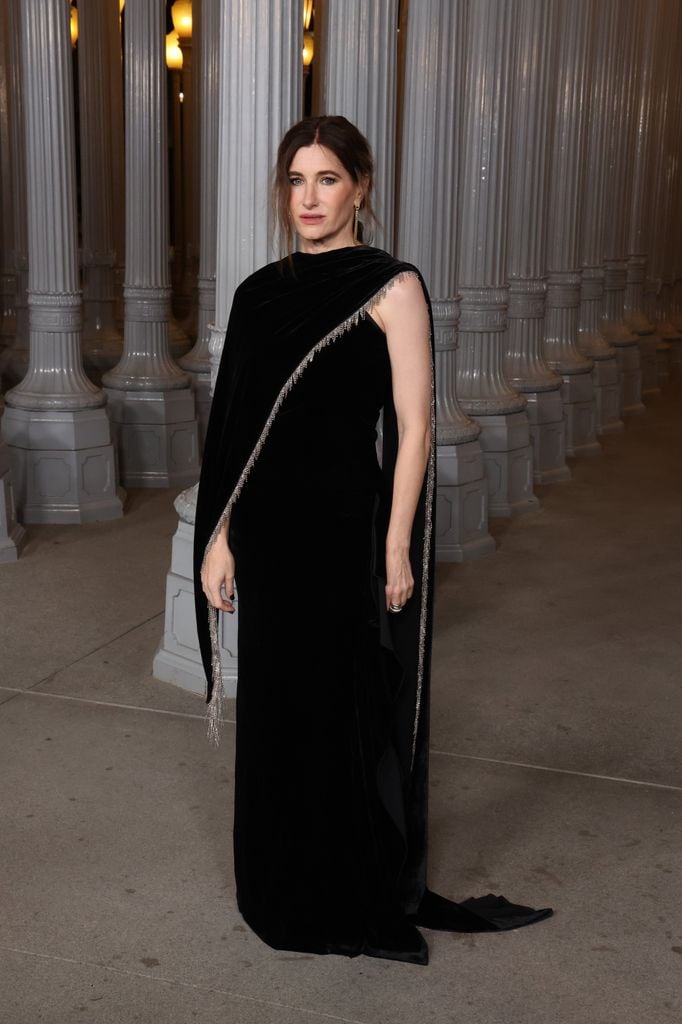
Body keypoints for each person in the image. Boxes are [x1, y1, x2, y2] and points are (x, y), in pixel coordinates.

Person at [193, 115, 552, 966]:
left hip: (346, 533)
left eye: (326, 179)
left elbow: (417, 427)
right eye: (294, 181)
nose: (308, 198)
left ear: (361, 185)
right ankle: (279, 882)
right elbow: (235, 437)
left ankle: (346, 884)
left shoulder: (391, 288)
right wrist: (220, 540)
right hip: (272, 538)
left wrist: (395, 546)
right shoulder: (258, 294)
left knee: (339, 710)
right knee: (277, 712)